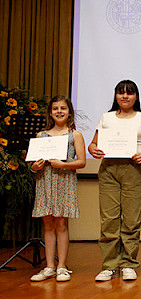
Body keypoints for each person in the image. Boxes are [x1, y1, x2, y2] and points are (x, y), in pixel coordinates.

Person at [89, 80, 141, 282]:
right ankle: (109, 265)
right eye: (121, 93)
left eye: (129, 93)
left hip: (134, 170)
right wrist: (93, 149)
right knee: (109, 219)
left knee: (131, 220)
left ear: (136, 96)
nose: (125, 97)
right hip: (109, 169)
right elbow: (93, 144)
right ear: (115, 96)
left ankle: (128, 263)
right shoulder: (106, 117)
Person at [29, 96, 86, 282]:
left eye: (63, 108)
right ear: (50, 112)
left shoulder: (74, 134)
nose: (59, 111)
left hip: (64, 180)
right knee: (48, 223)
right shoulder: (41, 135)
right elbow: (33, 164)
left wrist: (63, 164)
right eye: (55, 108)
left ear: (69, 112)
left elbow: (82, 162)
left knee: (61, 223)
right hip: (45, 180)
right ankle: (49, 267)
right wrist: (35, 166)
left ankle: (61, 266)